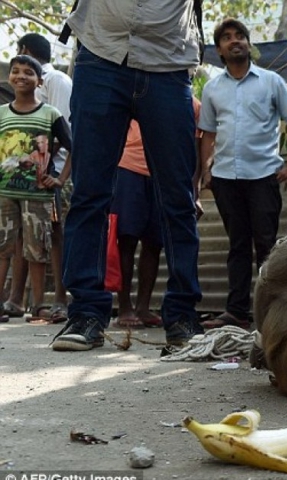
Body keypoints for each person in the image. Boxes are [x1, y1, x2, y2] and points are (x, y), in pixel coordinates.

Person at [51, 0, 203, 352]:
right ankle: (86, 313)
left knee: (177, 198)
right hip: (101, 53)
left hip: (168, 59)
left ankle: (181, 316)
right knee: (90, 192)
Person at [198, 18, 287, 330]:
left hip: (263, 176)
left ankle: (272, 313)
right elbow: (206, 133)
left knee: (267, 246)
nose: (235, 41)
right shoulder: (213, 88)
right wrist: (205, 171)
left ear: (249, 43)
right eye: (228, 38)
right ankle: (236, 312)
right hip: (226, 178)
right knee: (237, 246)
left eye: (241, 36)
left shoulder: (271, 81)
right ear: (219, 49)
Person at [111, 96, 202, 329]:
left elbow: (195, 145)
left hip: (165, 172)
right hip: (129, 167)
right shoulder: (134, 92)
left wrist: (195, 188)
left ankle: (143, 306)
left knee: (154, 242)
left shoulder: (193, 104)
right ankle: (124, 306)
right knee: (127, 238)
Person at [0, 33, 73, 323]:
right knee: (16, 239)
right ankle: (16, 299)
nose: (20, 76)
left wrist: (39, 164)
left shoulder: (57, 81)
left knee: (49, 237)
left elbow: (64, 131)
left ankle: (53, 301)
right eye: (15, 71)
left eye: (27, 70)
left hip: (48, 175)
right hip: (13, 184)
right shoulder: (5, 112)